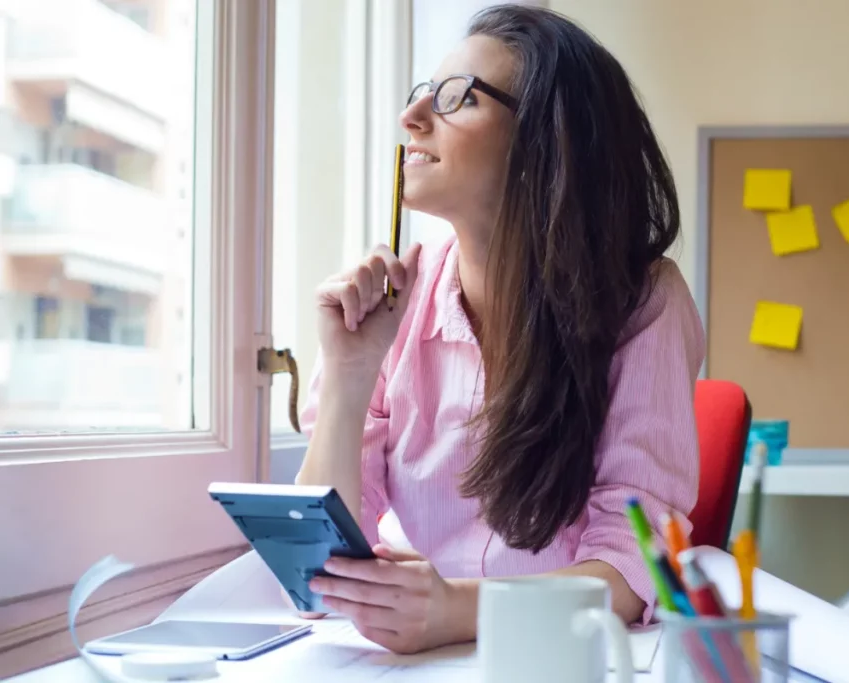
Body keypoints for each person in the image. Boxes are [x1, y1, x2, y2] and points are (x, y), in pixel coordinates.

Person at [294, 4, 705, 654]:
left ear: (547, 140)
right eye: (422, 93)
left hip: (565, 660)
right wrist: (348, 376)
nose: (412, 119)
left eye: (456, 98)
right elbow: (319, 568)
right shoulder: (396, 303)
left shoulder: (643, 301)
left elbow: (634, 568)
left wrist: (456, 609)